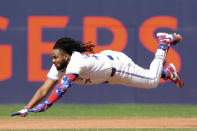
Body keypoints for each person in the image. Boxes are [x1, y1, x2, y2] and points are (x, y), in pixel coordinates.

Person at [11, 32, 184, 117]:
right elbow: (43, 89)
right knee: (150, 76)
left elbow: (63, 87)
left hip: (117, 67)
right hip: (110, 67)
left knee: (152, 82)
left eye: (56, 57)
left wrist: (46, 105)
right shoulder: (59, 66)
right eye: (52, 57)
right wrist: (27, 107)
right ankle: (166, 72)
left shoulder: (76, 61)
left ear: (66, 56)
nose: (53, 60)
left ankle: (163, 43)